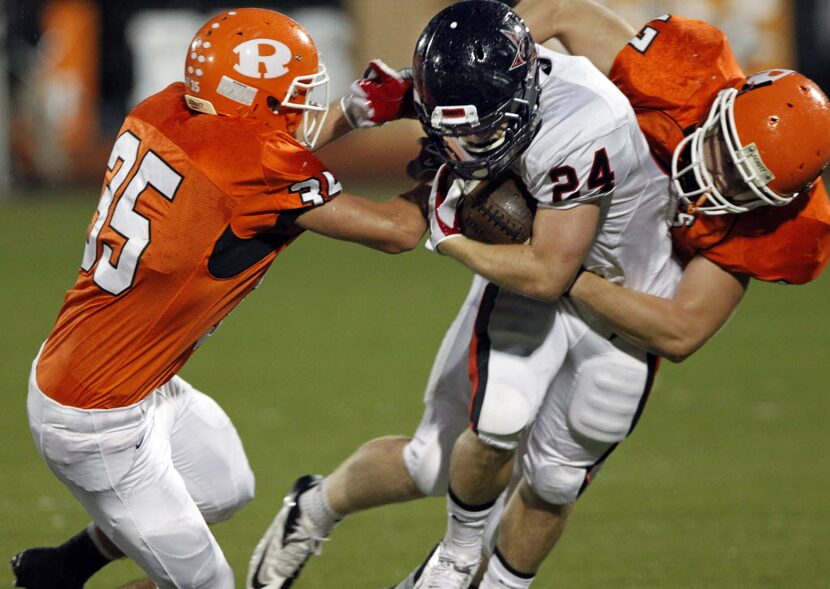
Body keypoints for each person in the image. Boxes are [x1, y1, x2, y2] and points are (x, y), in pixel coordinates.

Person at [246, 1, 683, 588]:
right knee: (450, 451)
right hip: (533, 281)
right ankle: (331, 514)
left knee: (554, 481)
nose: (468, 147)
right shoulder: (459, 92)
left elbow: (550, 272)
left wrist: (448, 239)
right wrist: (340, 118)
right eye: (452, 130)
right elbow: (329, 125)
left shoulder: (584, 124)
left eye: (484, 129)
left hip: (617, 293)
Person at [10, 7, 428, 589]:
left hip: (118, 373)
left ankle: (63, 568)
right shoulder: (253, 163)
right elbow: (398, 231)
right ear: (255, 96)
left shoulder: (165, 105)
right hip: (96, 416)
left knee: (224, 487)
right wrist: (449, 164)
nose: (302, 104)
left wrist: (354, 114)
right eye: (290, 93)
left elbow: (262, 153)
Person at [447, 2, 830, 588]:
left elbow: (681, 330)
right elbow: (555, 10)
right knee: (492, 421)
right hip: (576, 212)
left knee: (558, 478)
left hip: (635, 293)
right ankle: (451, 559)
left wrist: (563, 271)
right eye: (725, 153)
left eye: (744, 186)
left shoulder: (791, 227)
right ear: (722, 106)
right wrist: (479, 99)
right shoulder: (682, 74)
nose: (718, 181)